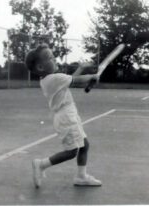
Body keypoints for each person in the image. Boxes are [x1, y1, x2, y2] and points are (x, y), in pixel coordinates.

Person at [25, 43, 102, 188]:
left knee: (84, 146)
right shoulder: (54, 79)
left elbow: (70, 79)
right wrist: (93, 76)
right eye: (50, 58)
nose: (54, 60)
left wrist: (81, 68)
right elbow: (77, 81)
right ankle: (41, 164)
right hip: (67, 118)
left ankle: (81, 177)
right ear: (41, 67)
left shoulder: (51, 79)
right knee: (72, 152)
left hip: (68, 115)